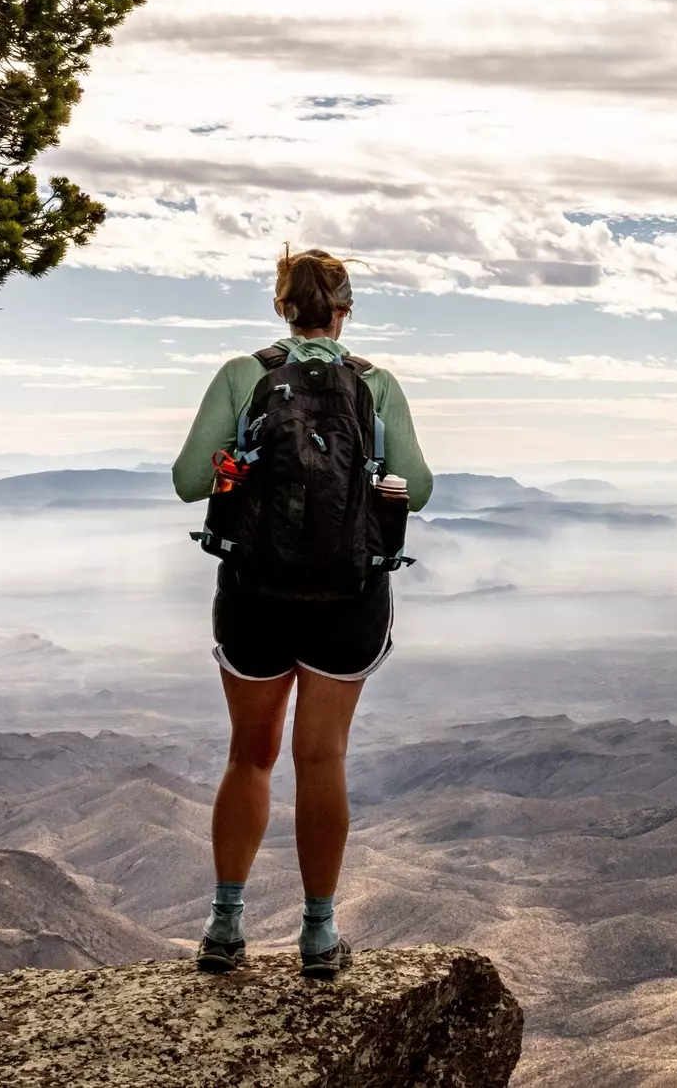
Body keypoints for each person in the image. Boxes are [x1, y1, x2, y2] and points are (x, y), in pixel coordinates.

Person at [171, 247, 433, 979]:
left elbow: (191, 480)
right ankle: (318, 935)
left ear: (281, 307)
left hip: (255, 593)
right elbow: (423, 488)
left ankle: (225, 925)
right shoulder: (374, 383)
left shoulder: (243, 374)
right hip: (347, 600)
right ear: (345, 310)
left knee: (248, 756)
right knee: (322, 759)